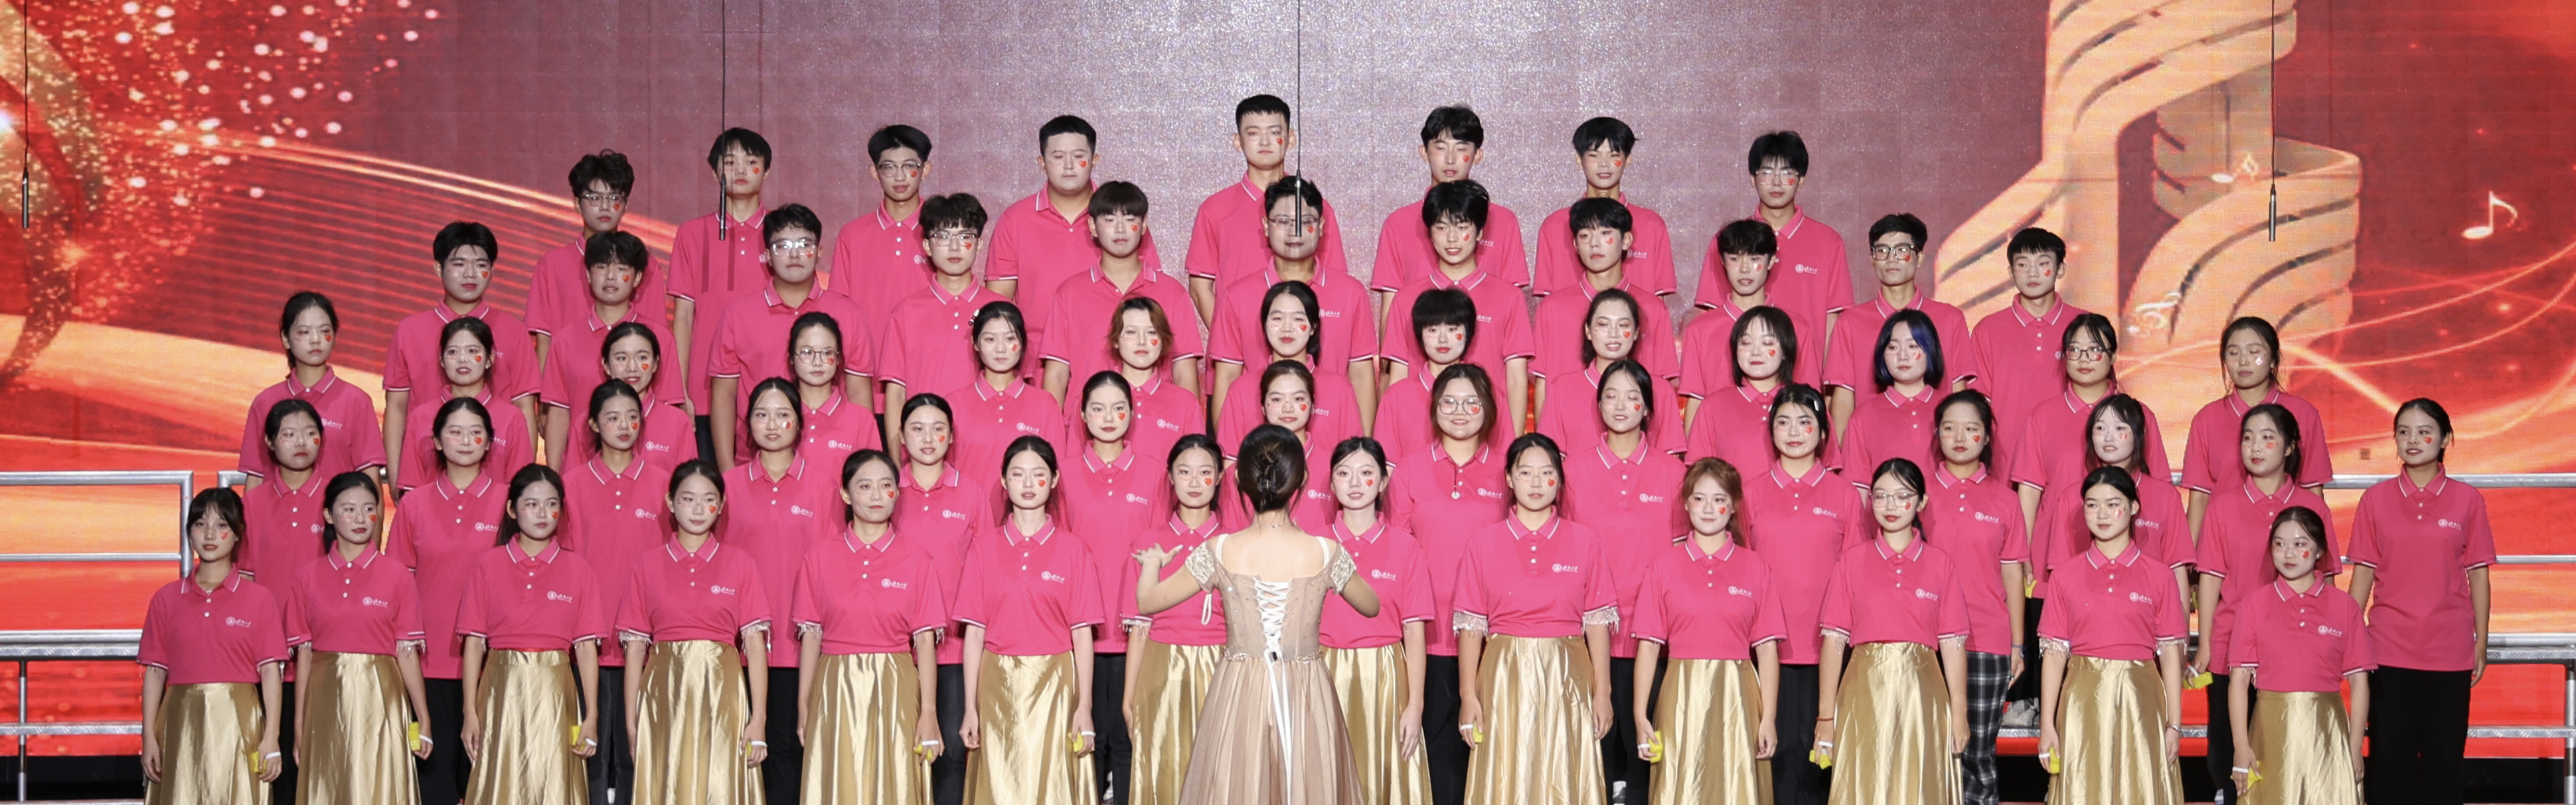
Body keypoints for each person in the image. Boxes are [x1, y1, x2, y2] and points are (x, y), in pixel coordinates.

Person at [1134, 424, 1379, 801]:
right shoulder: (1326, 550)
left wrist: (1152, 563)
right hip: (1306, 688)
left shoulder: (1220, 549)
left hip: (1239, 688)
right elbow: (1371, 606)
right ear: (1301, 480)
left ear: (1238, 481)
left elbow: (1148, 602)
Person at [1452, 433, 1615, 805]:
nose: (1537, 482)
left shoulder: (1586, 541)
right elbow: (1471, 628)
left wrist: (1603, 693)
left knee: (1565, 770)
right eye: (1525, 473)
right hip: (1504, 674)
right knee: (1507, 771)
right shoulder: (1483, 543)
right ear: (1509, 479)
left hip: (1567, 673)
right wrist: (1467, 696)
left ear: (1559, 479)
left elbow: (1597, 623)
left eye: (1547, 472)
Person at [2346, 398, 2492, 805]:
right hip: (2388, 652)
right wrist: (2347, 636)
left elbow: (2479, 574)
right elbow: (2363, 575)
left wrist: (2481, 642)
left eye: (2424, 432)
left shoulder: (2468, 500)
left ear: (2445, 439)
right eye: (2403, 432)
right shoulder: (2375, 500)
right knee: (2391, 767)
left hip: (2449, 652)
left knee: (2445, 767)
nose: (2412, 440)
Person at [1553, 359, 1683, 802]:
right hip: (1590, 642)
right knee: (1595, 756)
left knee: (1649, 758)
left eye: (1632, 397)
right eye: (1610, 396)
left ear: (1648, 408)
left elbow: (1679, 559)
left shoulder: (1673, 473)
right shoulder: (1573, 471)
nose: (1621, 405)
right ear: (1598, 405)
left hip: (1653, 640)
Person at [2195, 402, 2337, 803]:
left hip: (2294, 652)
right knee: (2229, 754)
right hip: (2231, 646)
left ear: (2290, 447)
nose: (2255, 447)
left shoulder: (2313, 508)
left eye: (2268, 438)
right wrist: (2205, 644)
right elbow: (2210, 578)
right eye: (2248, 438)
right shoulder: (2222, 506)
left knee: (2286, 755)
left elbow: (2326, 583)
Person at [1382, 364, 1510, 804]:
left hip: (1494, 642)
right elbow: (1397, 553)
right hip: (1429, 637)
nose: (1459, 411)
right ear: (1434, 409)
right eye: (1449, 402)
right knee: (1436, 757)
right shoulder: (1410, 470)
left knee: (1489, 755)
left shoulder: (1508, 471)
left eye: (1472, 402)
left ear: (1489, 409)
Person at [955, 436, 1105, 805]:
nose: (1027, 483)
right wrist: (970, 707)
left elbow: (1082, 635)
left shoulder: (1075, 550)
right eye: (1017, 474)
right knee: (999, 783)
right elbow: (974, 634)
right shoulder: (983, 548)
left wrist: (1084, 706)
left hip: (1055, 683)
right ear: (1003, 481)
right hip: (997, 682)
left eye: (1038, 474)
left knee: (1052, 783)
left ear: (1054, 480)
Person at [792, 450, 946, 804]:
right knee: (839, 779)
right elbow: (812, 637)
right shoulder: (819, 556)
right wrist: (804, 705)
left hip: (895, 683)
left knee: (894, 779)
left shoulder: (917, 558)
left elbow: (925, 641)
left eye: (886, 486)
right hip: (835, 684)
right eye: (864, 486)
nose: (877, 495)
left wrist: (928, 712)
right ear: (846, 494)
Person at [1814, 458, 1969, 805]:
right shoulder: (1851, 561)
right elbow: (1834, 643)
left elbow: (1953, 644)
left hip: (1922, 698)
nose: (1891, 506)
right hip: (1864, 693)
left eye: (1903, 496)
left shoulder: (1940, 564)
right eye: (1881, 496)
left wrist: (1959, 715)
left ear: (1921, 502)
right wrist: (1826, 717)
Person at [1629, 458, 1783, 805]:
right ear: (1686, 503)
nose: (1709, 508)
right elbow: (1649, 647)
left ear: (1734, 505)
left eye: (1719, 499)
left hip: (1739, 696)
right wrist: (1640, 715)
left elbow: (1767, 649)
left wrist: (1769, 718)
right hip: (1681, 694)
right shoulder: (1663, 567)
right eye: (1699, 499)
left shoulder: (1756, 567)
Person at [617, 460, 771, 805]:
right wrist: (632, 723)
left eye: (709, 500)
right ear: (671, 503)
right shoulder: (647, 565)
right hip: (664, 693)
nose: (699, 509)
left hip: (722, 692)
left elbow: (755, 645)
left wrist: (758, 719)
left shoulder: (740, 563)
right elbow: (636, 649)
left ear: (722, 504)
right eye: (688, 499)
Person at [2034, 466, 2189, 805]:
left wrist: (2174, 725)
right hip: (2081, 700)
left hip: (2141, 699)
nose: (2101, 514)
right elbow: (2054, 655)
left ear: (2134, 507)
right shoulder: (2064, 576)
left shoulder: (2160, 576)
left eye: (2112, 504)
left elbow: (2170, 654)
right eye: (2092, 505)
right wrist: (2047, 725)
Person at [724, 378, 843, 802]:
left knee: (794, 755)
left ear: (799, 423)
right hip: (739, 651)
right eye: (761, 414)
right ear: (747, 423)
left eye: (782, 415)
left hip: (801, 650)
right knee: (740, 758)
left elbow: (835, 570)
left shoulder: (824, 487)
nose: (772, 425)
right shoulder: (726, 487)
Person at [456, 464, 604, 804]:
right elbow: (474, 644)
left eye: (552, 505)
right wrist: (470, 712)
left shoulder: (579, 570)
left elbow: (585, 649)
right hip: (501, 690)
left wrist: (592, 716)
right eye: (531, 504)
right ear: (512, 509)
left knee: (553, 781)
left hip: (556, 693)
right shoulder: (488, 565)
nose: (542, 513)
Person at [385, 396, 507, 804]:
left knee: (486, 786)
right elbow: (396, 587)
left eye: (476, 432)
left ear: (490, 441)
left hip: (494, 668)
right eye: (454, 432)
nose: (466, 441)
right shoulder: (414, 504)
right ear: (436, 441)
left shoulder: (510, 502)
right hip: (428, 666)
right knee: (433, 787)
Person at [284, 472, 431, 805]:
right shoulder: (307, 578)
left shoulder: (397, 575)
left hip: (381, 696)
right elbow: (304, 657)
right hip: (325, 696)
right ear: (328, 516)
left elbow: (407, 653)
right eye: (349, 510)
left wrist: (422, 718)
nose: (361, 519)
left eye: (369, 509)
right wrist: (299, 727)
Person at [1739, 383, 1854, 805]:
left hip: (1828, 654)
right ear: (1770, 432)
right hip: (1765, 652)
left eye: (1805, 422)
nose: (1793, 432)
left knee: (1819, 768)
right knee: (1772, 764)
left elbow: (1855, 577)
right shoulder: (1749, 493)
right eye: (1783, 422)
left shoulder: (1845, 495)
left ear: (1823, 432)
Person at [559, 379, 673, 804]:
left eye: (632, 417)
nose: (624, 426)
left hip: (645, 646)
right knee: (585, 755)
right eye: (612, 418)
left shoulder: (664, 485)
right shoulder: (571, 485)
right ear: (593, 424)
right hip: (586, 644)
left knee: (636, 754)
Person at [1058, 372, 1167, 800]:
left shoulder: (1154, 473)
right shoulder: (1064, 474)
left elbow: (1160, 552)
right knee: (1087, 741)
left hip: (1135, 635)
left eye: (1119, 408)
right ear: (1082, 415)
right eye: (1098, 408)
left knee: (1125, 741)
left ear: (1132, 414)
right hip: (1078, 634)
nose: (1108, 417)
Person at [140, 490, 287, 805]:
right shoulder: (166, 599)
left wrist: (271, 737)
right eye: (200, 524)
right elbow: (155, 672)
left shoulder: (260, 599)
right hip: (181, 723)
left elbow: (270, 672)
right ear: (189, 532)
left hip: (239, 720)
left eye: (221, 525)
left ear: (237, 534)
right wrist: (149, 736)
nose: (210, 535)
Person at [708, 203, 874, 471]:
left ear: (819, 251)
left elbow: (858, 395)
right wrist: (728, 474)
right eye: (783, 246)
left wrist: (860, 474)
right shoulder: (737, 315)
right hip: (756, 465)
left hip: (834, 467)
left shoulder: (848, 313)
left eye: (805, 245)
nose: (795, 254)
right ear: (767, 255)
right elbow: (724, 396)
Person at [1923, 391, 2029, 805]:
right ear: (1937, 434)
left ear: (1986, 437)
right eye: (1950, 428)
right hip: (1926, 641)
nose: (1960, 437)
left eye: (1971, 429)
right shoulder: (1919, 493)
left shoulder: (2005, 500)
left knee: (1978, 754)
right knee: (1928, 751)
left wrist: (2017, 644)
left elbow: (2012, 574)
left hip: (1986, 640)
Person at [1318, 436, 1435, 805]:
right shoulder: (1315, 545)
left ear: (1383, 481)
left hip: (1385, 677)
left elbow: (1414, 631)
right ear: (1331, 482)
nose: (1355, 483)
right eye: (1344, 473)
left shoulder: (1405, 547)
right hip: (1323, 673)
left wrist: (1415, 705)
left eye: (1366, 473)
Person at [2229, 505, 2373, 805]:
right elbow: (2239, 680)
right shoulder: (2253, 605)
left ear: (2319, 550)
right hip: (2271, 731)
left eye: (2300, 544)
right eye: (2280, 544)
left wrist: (2354, 746)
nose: (2289, 553)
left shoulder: (2345, 607)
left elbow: (2359, 682)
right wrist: (2241, 747)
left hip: (2327, 733)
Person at [1208, 177, 1380, 424]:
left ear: (1321, 225)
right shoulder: (1237, 296)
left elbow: (1362, 377)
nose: (1295, 232)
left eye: (1306, 222)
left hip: (1333, 438)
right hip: (1260, 439)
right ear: (1266, 226)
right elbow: (1227, 379)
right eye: (1282, 222)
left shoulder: (1351, 294)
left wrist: (1360, 445)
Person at [1117, 435, 1230, 805]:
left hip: (1220, 667)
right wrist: (1129, 697)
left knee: (1219, 771)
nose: (1195, 482)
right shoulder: (1149, 542)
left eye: (1205, 472)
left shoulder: (1233, 543)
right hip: (1161, 670)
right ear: (1170, 477)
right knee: (1163, 769)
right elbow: (1139, 629)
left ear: (1219, 477)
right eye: (1184, 472)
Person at [383, 222, 540, 485]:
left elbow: (525, 409)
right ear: (438, 268)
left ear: (492, 270)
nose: (470, 274)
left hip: (496, 477)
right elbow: (397, 407)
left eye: (480, 265)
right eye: (459, 264)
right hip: (426, 474)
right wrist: (398, 475)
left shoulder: (514, 331)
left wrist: (523, 484)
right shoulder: (409, 330)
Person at [889, 393, 989, 805]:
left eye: (938, 429)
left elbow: (987, 571)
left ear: (952, 436)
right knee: (899, 756)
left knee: (951, 754)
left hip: (955, 650)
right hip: (895, 650)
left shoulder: (972, 494)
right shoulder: (886, 490)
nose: (928, 439)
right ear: (901, 436)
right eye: (917, 429)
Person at [1382, 180, 1535, 432]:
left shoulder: (1509, 297)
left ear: (1480, 232)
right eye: (1442, 228)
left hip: (1489, 430)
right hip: (1421, 430)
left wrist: (1515, 443)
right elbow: (1398, 377)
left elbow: (1517, 380)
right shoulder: (1406, 299)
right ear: (1429, 233)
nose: (1452, 238)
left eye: (1462, 227)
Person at [1185, 95, 1352, 320]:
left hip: (1301, 335)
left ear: (1290, 138)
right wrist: (1228, 336)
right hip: (1238, 333)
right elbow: (1200, 290)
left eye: (1275, 133)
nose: (1265, 142)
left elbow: (1333, 281)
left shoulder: (1311, 206)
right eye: (1253, 133)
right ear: (1237, 141)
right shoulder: (1214, 209)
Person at [985, 115, 1164, 325]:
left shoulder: (1122, 218)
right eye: (1058, 157)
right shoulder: (1014, 220)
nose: (1069, 166)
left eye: (1079, 156)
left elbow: (1153, 291)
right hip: (1038, 345)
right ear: (1042, 163)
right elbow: (999, 306)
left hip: (1113, 342)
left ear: (1094, 160)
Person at [1038, 181, 1204, 399]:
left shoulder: (1172, 293)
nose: (1120, 229)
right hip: (1085, 419)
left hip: (1156, 418)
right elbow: (1056, 377)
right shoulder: (1069, 294)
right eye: (1109, 220)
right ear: (1093, 226)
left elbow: (1185, 374)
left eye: (1130, 219)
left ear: (1143, 225)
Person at [670, 128, 777, 449]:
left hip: (772, 390)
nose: (741, 170)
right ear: (714, 171)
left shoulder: (781, 232)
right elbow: (683, 318)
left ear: (766, 172)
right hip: (705, 390)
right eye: (730, 162)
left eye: (752, 162)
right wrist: (680, 391)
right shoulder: (692, 234)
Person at [1822, 214, 1979, 432]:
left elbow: (1959, 392)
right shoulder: (1851, 322)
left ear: (1920, 258)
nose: (1891, 259)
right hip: (1872, 444)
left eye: (1902, 250)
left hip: (1935, 442)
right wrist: (1843, 453)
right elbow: (1843, 399)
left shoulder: (1950, 319)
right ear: (1872, 259)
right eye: (1882, 251)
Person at [2180, 317, 2334, 535]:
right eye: (2233, 353)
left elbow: (2313, 492)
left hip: (2288, 544)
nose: (2243, 361)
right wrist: (2190, 555)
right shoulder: (2206, 419)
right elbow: (2199, 500)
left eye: (2254, 352)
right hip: (2225, 541)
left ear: (2273, 360)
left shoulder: (2303, 414)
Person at [1692, 132, 1851, 340]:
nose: (1776, 183)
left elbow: (1833, 320)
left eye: (1787, 173)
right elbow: (1712, 315)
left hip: (1806, 360)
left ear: (1801, 180)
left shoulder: (1829, 241)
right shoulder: (1729, 240)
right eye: (1767, 173)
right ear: (1753, 179)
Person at [538, 230, 674, 468]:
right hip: (581, 468)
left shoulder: (660, 338)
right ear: (589, 275)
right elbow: (559, 415)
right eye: (602, 267)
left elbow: (668, 411)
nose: (611, 277)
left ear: (637, 278)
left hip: (646, 470)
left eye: (621, 269)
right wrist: (554, 474)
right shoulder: (564, 340)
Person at [878, 193, 1006, 442]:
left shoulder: (1000, 310)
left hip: (985, 444)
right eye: (943, 237)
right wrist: (895, 461)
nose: (955, 247)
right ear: (927, 246)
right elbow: (896, 395)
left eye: (965, 237)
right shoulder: (905, 313)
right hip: (924, 447)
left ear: (979, 245)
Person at [1968, 227, 2087, 479]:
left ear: (2061, 269)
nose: (2032, 273)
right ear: (2011, 272)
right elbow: (1978, 405)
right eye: (2023, 265)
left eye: (2043, 264)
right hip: (2006, 464)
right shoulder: (1988, 330)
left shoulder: (2085, 326)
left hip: (2073, 463)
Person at [528, 149, 661, 368]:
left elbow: (655, 336)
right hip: (569, 381)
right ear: (576, 204)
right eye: (594, 198)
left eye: (614, 198)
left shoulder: (646, 265)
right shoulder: (551, 265)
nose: (605, 206)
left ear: (626, 205)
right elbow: (545, 343)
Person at [1373, 106, 1528, 293]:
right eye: (1440, 148)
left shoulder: (1503, 220)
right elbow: (1392, 307)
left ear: (1477, 155)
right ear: (1424, 152)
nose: (1450, 159)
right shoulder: (1398, 223)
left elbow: (1512, 300)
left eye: (1461, 148)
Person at [238, 292, 384, 488]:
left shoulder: (356, 401)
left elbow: (370, 480)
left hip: (338, 508)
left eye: (324, 331)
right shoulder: (265, 403)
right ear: (285, 338)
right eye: (304, 332)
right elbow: (256, 478)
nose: (316, 340)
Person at [1531, 198, 1678, 387]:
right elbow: (1542, 385)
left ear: (1626, 240)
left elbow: (1664, 385)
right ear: (1576, 245)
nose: (1595, 244)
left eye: (1605, 233)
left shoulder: (1653, 309)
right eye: (1585, 236)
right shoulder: (1552, 309)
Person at [1532, 118, 1676, 298]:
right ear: (1579, 159)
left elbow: (1657, 303)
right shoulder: (1555, 225)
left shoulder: (1652, 225)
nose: (1604, 164)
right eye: (1594, 155)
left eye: (1614, 155)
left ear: (1628, 159)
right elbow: (1546, 304)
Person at [1678, 220, 1822, 399]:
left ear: (1771, 261)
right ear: (1722, 261)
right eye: (1735, 259)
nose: (1744, 269)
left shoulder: (1796, 327)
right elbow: (1696, 402)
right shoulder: (1700, 330)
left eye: (1754, 259)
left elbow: (1810, 398)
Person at [1215, 282, 1362, 457]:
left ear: (1314, 327)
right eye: (1277, 319)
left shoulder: (1340, 389)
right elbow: (1230, 462)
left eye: (1298, 319)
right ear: (1264, 325)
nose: (1287, 328)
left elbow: (1353, 461)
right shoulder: (1240, 390)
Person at [1532, 286, 1684, 455]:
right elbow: (1551, 459)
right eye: (1603, 324)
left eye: (1623, 325)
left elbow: (1670, 461)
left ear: (1636, 333)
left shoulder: (1660, 390)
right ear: (1588, 331)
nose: (1613, 333)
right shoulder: (1562, 389)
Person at [393, 316, 532, 495]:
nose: (463, 359)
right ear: (441, 360)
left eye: (473, 351)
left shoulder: (512, 418)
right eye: (453, 352)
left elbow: (522, 491)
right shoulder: (420, 417)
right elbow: (411, 492)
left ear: (489, 359)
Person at [946, 302, 1066, 487]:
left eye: (1010, 339)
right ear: (975, 343)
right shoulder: (954, 405)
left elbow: (1057, 471)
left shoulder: (1045, 404)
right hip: (969, 506)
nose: (1000, 349)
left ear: (1022, 342)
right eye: (990, 339)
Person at [829, 125, 937, 325]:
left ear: (925, 170)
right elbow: (838, 305)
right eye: (889, 167)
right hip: (868, 345)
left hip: (928, 344)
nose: (899, 177)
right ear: (875, 172)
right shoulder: (852, 235)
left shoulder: (940, 232)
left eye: (909, 166)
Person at [558, 322, 693, 472]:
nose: (632, 367)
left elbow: (688, 481)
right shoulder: (587, 422)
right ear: (606, 366)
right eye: (621, 358)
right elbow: (574, 481)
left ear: (655, 363)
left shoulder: (678, 422)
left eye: (642, 358)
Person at [1682, 307, 1802, 474]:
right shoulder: (1713, 407)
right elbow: (1700, 476)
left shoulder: (1806, 404)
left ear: (1786, 350)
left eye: (1767, 343)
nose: (1756, 352)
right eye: (1746, 343)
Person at [1834, 310, 1945, 477]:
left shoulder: (1951, 408)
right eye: (1893, 347)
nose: (1902, 356)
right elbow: (1857, 486)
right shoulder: (1864, 416)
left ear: (1931, 350)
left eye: (1913, 346)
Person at [1373, 288, 1479, 461]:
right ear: (1419, 335)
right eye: (1433, 330)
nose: (1443, 339)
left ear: (1468, 333)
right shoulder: (1395, 398)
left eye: (1452, 329)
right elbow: (1386, 467)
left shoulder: (1488, 394)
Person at [1099, 297, 1205, 466]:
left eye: (1151, 333)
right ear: (1116, 340)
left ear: (1163, 341)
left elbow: (1197, 466)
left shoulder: (1185, 403)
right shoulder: (1095, 398)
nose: (1142, 341)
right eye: (1131, 332)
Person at [241, 399, 329, 592]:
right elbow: (245, 574)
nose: (301, 442)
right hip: (269, 611)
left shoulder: (337, 498)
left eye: (311, 434)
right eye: (289, 435)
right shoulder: (252, 502)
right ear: (270, 442)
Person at [777, 312, 881, 473]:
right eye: (807, 353)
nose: (817, 362)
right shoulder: (778, 416)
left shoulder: (861, 420)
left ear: (839, 359)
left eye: (827, 353)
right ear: (791, 357)